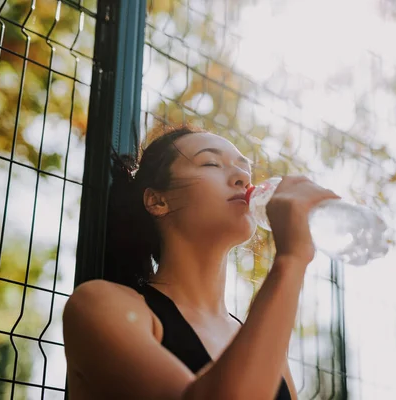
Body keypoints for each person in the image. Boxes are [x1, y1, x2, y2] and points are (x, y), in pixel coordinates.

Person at [62, 125, 339, 399]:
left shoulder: (259, 338)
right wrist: (290, 259)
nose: (243, 177)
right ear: (157, 201)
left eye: (246, 169)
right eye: (211, 163)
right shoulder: (99, 305)